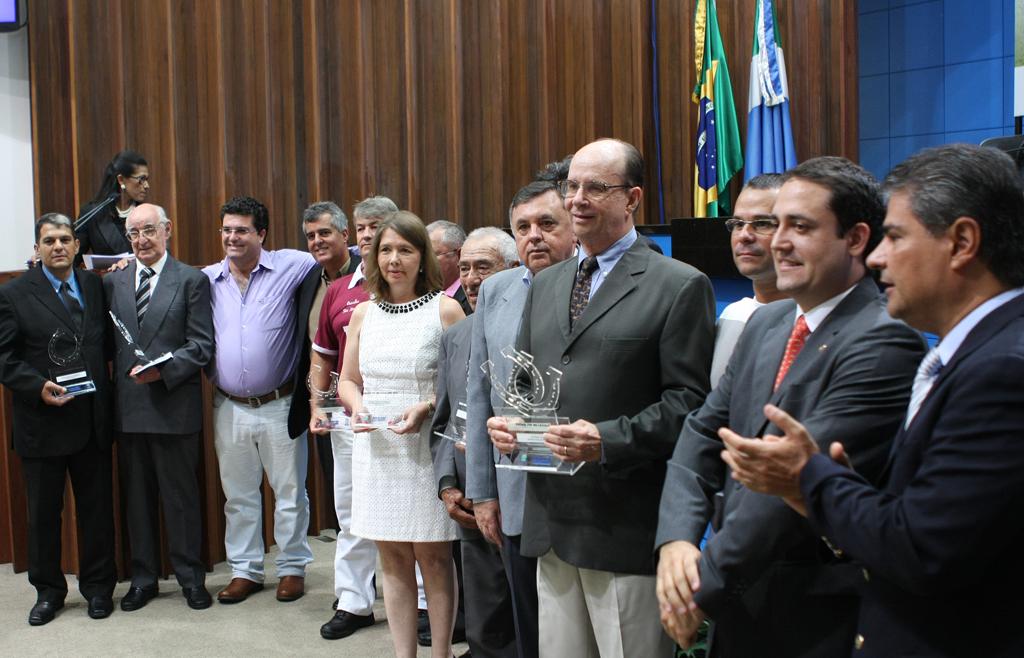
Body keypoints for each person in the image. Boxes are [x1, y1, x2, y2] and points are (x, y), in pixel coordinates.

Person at [719, 143, 1024, 657]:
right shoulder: (977, 352)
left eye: (896, 237)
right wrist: (825, 487)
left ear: (962, 242)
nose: (878, 257)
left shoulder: (1001, 370)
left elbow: (922, 549)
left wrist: (810, 477)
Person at [655, 157, 926, 657]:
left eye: (799, 226)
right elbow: (702, 432)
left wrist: (696, 589)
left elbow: (783, 491)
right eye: (774, 224)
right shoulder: (768, 321)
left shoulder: (885, 339)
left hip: (815, 616)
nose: (778, 242)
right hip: (741, 606)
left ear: (856, 238)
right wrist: (675, 540)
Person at [487, 138, 716, 657]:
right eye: (571, 187)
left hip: (622, 525)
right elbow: (525, 382)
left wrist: (606, 440)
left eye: (595, 187)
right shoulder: (547, 284)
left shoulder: (678, 285)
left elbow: (689, 404)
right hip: (551, 522)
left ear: (632, 198)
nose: (577, 199)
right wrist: (512, 423)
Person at [338, 211, 465, 658]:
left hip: (425, 447)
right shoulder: (363, 313)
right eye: (386, 250)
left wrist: (426, 405)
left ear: (422, 256)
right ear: (374, 256)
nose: (394, 259)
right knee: (391, 559)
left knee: (434, 557)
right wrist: (358, 406)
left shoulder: (445, 309)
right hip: (376, 446)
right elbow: (347, 380)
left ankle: (441, 653)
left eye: (405, 250)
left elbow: (462, 383)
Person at [465, 178, 577, 658]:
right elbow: (479, 394)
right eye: (523, 227)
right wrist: (483, 493)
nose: (535, 236)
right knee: (529, 626)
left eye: (547, 223)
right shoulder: (496, 290)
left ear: (573, 226)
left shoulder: (594, 287)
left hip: (585, 488)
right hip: (515, 488)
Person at [0, 213, 116, 625]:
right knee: (44, 516)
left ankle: (99, 589)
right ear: (37, 248)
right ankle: (48, 592)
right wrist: (36, 386)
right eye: (49, 240)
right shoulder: (14, 294)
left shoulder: (93, 286)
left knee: (97, 512)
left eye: (65, 239)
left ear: (77, 245)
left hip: (92, 420)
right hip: (43, 423)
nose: (58, 246)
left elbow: (104, 344)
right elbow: (4, 358)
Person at [203, 196, 316, 604]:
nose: (232, 237)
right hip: (229, 406)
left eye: (242, 230)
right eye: (227, 230)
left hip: (279, 404)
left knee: (290, 493)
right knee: (239, 495)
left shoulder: (292, 265)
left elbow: (336, 252)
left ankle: (292, 568)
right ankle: (245, 570)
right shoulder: (206, 279)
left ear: (261, 233)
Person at [103, 203, 214, 611]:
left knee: (181, 499)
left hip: (173, 405)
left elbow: (201, 345)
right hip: (129, 408)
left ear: (167, 230)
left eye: (149, 230)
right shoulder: (112, 282)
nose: (141, 240)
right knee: (137, 500)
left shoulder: (191, 280)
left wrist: (163, 371)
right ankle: (143, 579)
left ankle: (191, 578)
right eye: (133, 233)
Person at [307, 195, 398, 640]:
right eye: (361, 227)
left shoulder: (418, 287)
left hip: (403, 421)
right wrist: (316, 406)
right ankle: (354, 601)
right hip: (349, 423)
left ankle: (421, 603)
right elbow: (322, 357)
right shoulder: (340, 290)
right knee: (350, 513)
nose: (365, 234)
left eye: (375, 226)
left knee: (409, 513)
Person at [432, 227, 520, 658]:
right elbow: (444, 419)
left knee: (527, 616)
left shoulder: (531, 327)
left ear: (514, 270)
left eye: (482, 267)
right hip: (470, 496)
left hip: (522, 494)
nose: (469, 279)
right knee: (484, 620)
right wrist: (448, 484)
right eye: (464, 268)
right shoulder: (455, 336)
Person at [288, 201, 361, 526]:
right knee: (340, 492)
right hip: (325, 401)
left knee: (370, 491)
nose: (317, 241)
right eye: (310, 236)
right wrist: (315, 402)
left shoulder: (368, 275)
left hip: (363, 398)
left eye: (324, 233)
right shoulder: (307, 282)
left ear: (345, 234)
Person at [711, 173, 787, 387]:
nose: (744, 235)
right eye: (737, 224)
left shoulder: (811, 323)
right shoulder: (732, 315)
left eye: (762, 223)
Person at [76, 150, 150, 260]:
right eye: (141, 179)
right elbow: (74, 259)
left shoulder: (149, 214)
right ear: (121, 180)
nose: (147, 185)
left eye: (147, 179)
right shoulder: (93, 214)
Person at [428, 220, 473, 315]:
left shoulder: (474, 298)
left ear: (459, 255)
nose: (422, 263)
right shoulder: (419, 297)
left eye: (431, 256)